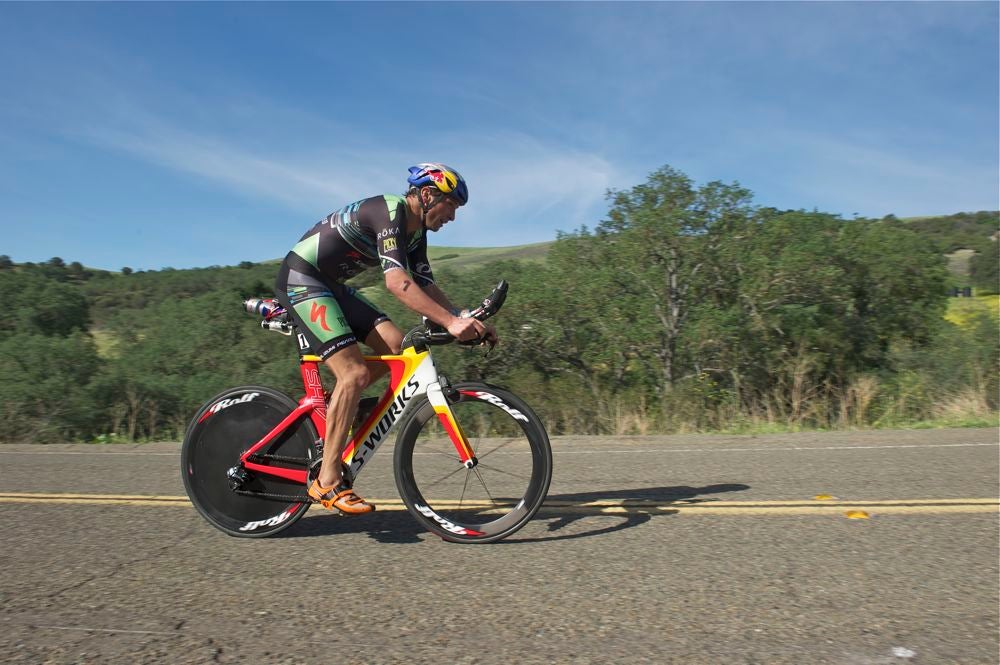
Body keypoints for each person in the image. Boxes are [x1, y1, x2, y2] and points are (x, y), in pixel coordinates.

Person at [274, 163, 496, 515]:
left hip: (332, 289)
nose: (452, 216)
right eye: (451, 205)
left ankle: (339, 408)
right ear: (426, 195)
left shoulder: (415, 234)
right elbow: (397, 283)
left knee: (398, 348)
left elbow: (425, 285)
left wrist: (463, 317)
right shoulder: (389, 210)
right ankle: (327, 481)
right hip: (302, 280)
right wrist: (451, 322)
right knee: (354, 374)